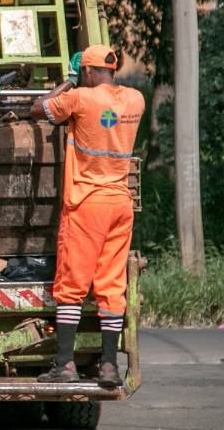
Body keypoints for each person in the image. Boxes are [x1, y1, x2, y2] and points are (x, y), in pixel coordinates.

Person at [29, 45, 145, 388]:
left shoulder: (79, 98)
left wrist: (67, 82)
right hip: (119, 203)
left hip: (87, 203)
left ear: (89, 72)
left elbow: (38, 109)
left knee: (71, 285)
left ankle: (64, 364)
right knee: (111, 286)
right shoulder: (136, 99)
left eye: (84, 72)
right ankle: (108, 365)